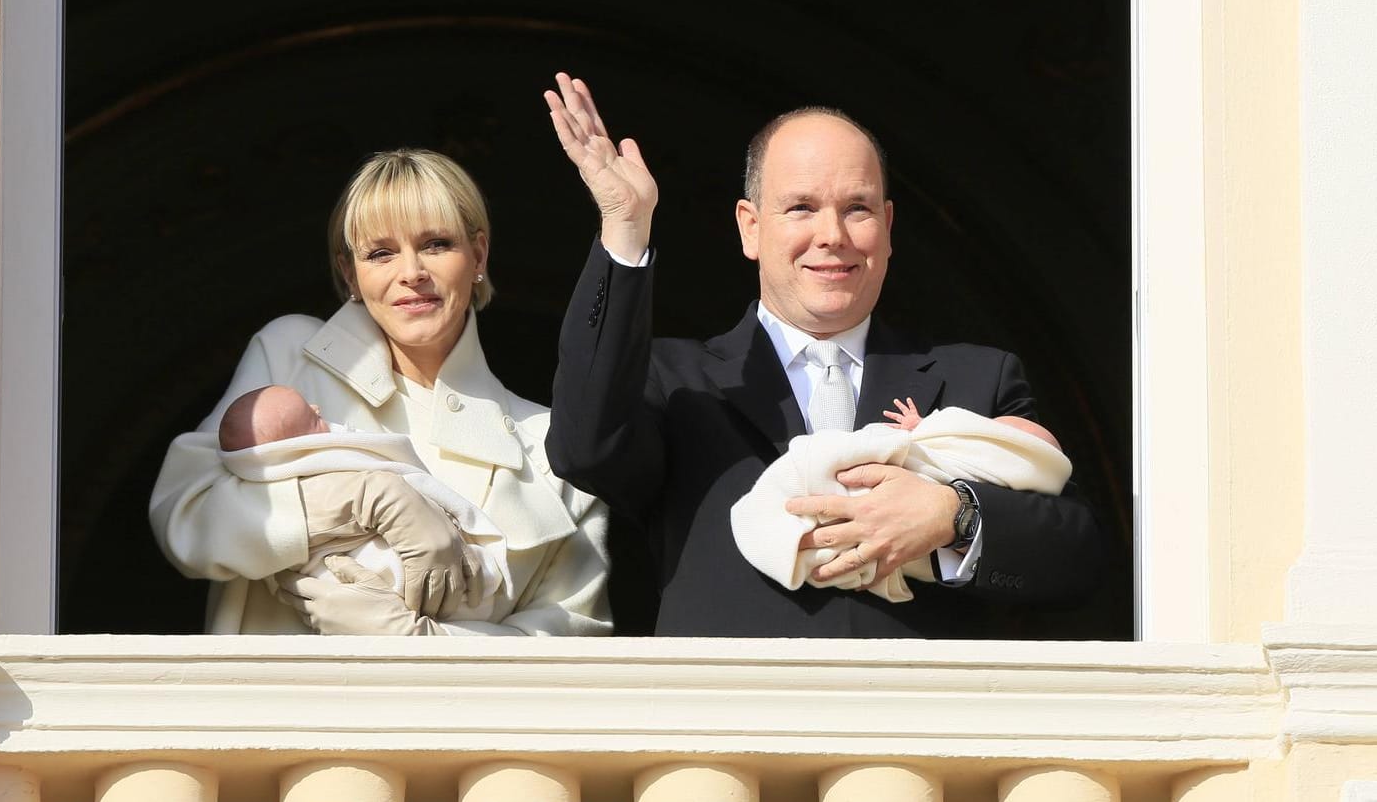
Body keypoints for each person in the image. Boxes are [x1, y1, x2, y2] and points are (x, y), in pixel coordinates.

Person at [542, 73, 1106, 638]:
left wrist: (953, 516)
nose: (832, 234)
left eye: (856, 208)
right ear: (751, 228)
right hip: (734, 716)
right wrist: (625, 225)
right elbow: (583, 448)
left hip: (921, 718)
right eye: (802, 208)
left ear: (887, 228)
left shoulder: (978, 378)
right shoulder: (677, 381)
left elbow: (1076, 551)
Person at [150, 148, 610, 636]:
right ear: (351, 274)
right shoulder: (290, 353)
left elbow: (570, 644)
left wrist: (417, 641)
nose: (411, 272)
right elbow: (187, 516)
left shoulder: (545, 443)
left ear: (478, 255)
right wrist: (365, 496)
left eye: (435, 244)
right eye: (380, 253)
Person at [216, 384, 510, 627]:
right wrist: (363, 494)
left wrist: (430, 641)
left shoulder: (532, 422)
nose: (319, 409)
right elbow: (203, 508)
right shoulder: (284, 345)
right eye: (312, 419)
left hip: (474, 632)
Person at [730, 397, 1071, 603]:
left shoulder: (992, 375)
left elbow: (1069, 542)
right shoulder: (679, 374)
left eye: (995, 427)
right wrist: (923, 428)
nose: (990, 427)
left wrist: (955, 514)